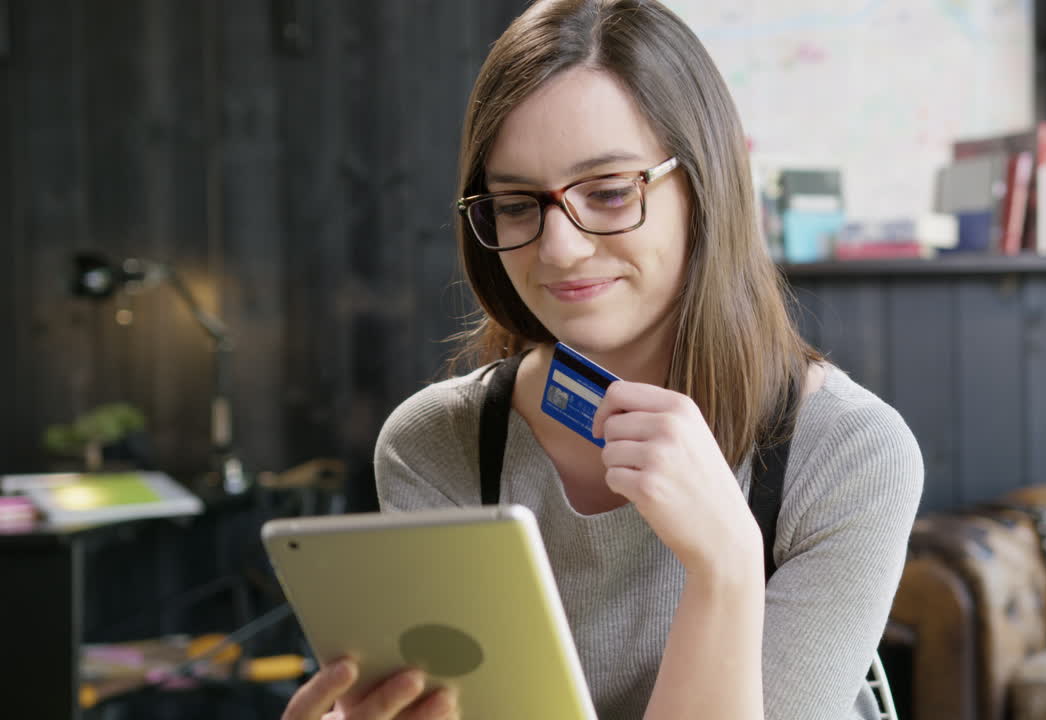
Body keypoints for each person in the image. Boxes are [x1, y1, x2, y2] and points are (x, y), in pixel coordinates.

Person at [281, 1, 923, 718]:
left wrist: (728, 566)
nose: (558, 248)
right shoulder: (437, 444)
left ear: (707, 185)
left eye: (612, 193)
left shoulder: (850, 452)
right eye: (519, 204)